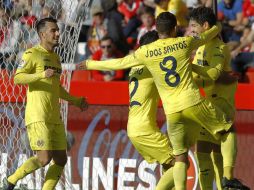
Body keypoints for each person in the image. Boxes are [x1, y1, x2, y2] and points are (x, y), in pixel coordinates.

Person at [77, 11, 249, 190]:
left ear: (157, 30)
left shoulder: (145, 52)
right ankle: (228, 178)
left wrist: (90, 64)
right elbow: (206, 37)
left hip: (172, 113)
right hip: (192, 102)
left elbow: (119, 63)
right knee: (228, 130)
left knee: (180, 158)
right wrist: (218, 26)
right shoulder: (183, 43)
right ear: (175, 28)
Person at [3, 17, 88, 190]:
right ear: (42, 34)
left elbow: (57, 88)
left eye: (58, 30)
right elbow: (17, 78)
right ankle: (10, 181)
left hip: (54, 117)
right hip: (38, 115)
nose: (58, 33)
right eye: (53, 30)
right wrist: (41, 75)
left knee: (61, 160)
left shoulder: (56, 58)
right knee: (43, 158)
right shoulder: (32, 53)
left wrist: (75, 100)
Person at [188, 7, 247, 190]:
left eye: (194, 26)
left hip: (222, 101)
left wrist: (189, 68)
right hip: (207, 103)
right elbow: (208, 78)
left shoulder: (220, 48)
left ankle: (226, 182)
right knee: (204, 149)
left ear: (206, 26)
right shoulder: (201, 48)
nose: (191, 30)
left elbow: (213, 75)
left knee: (219, 145)